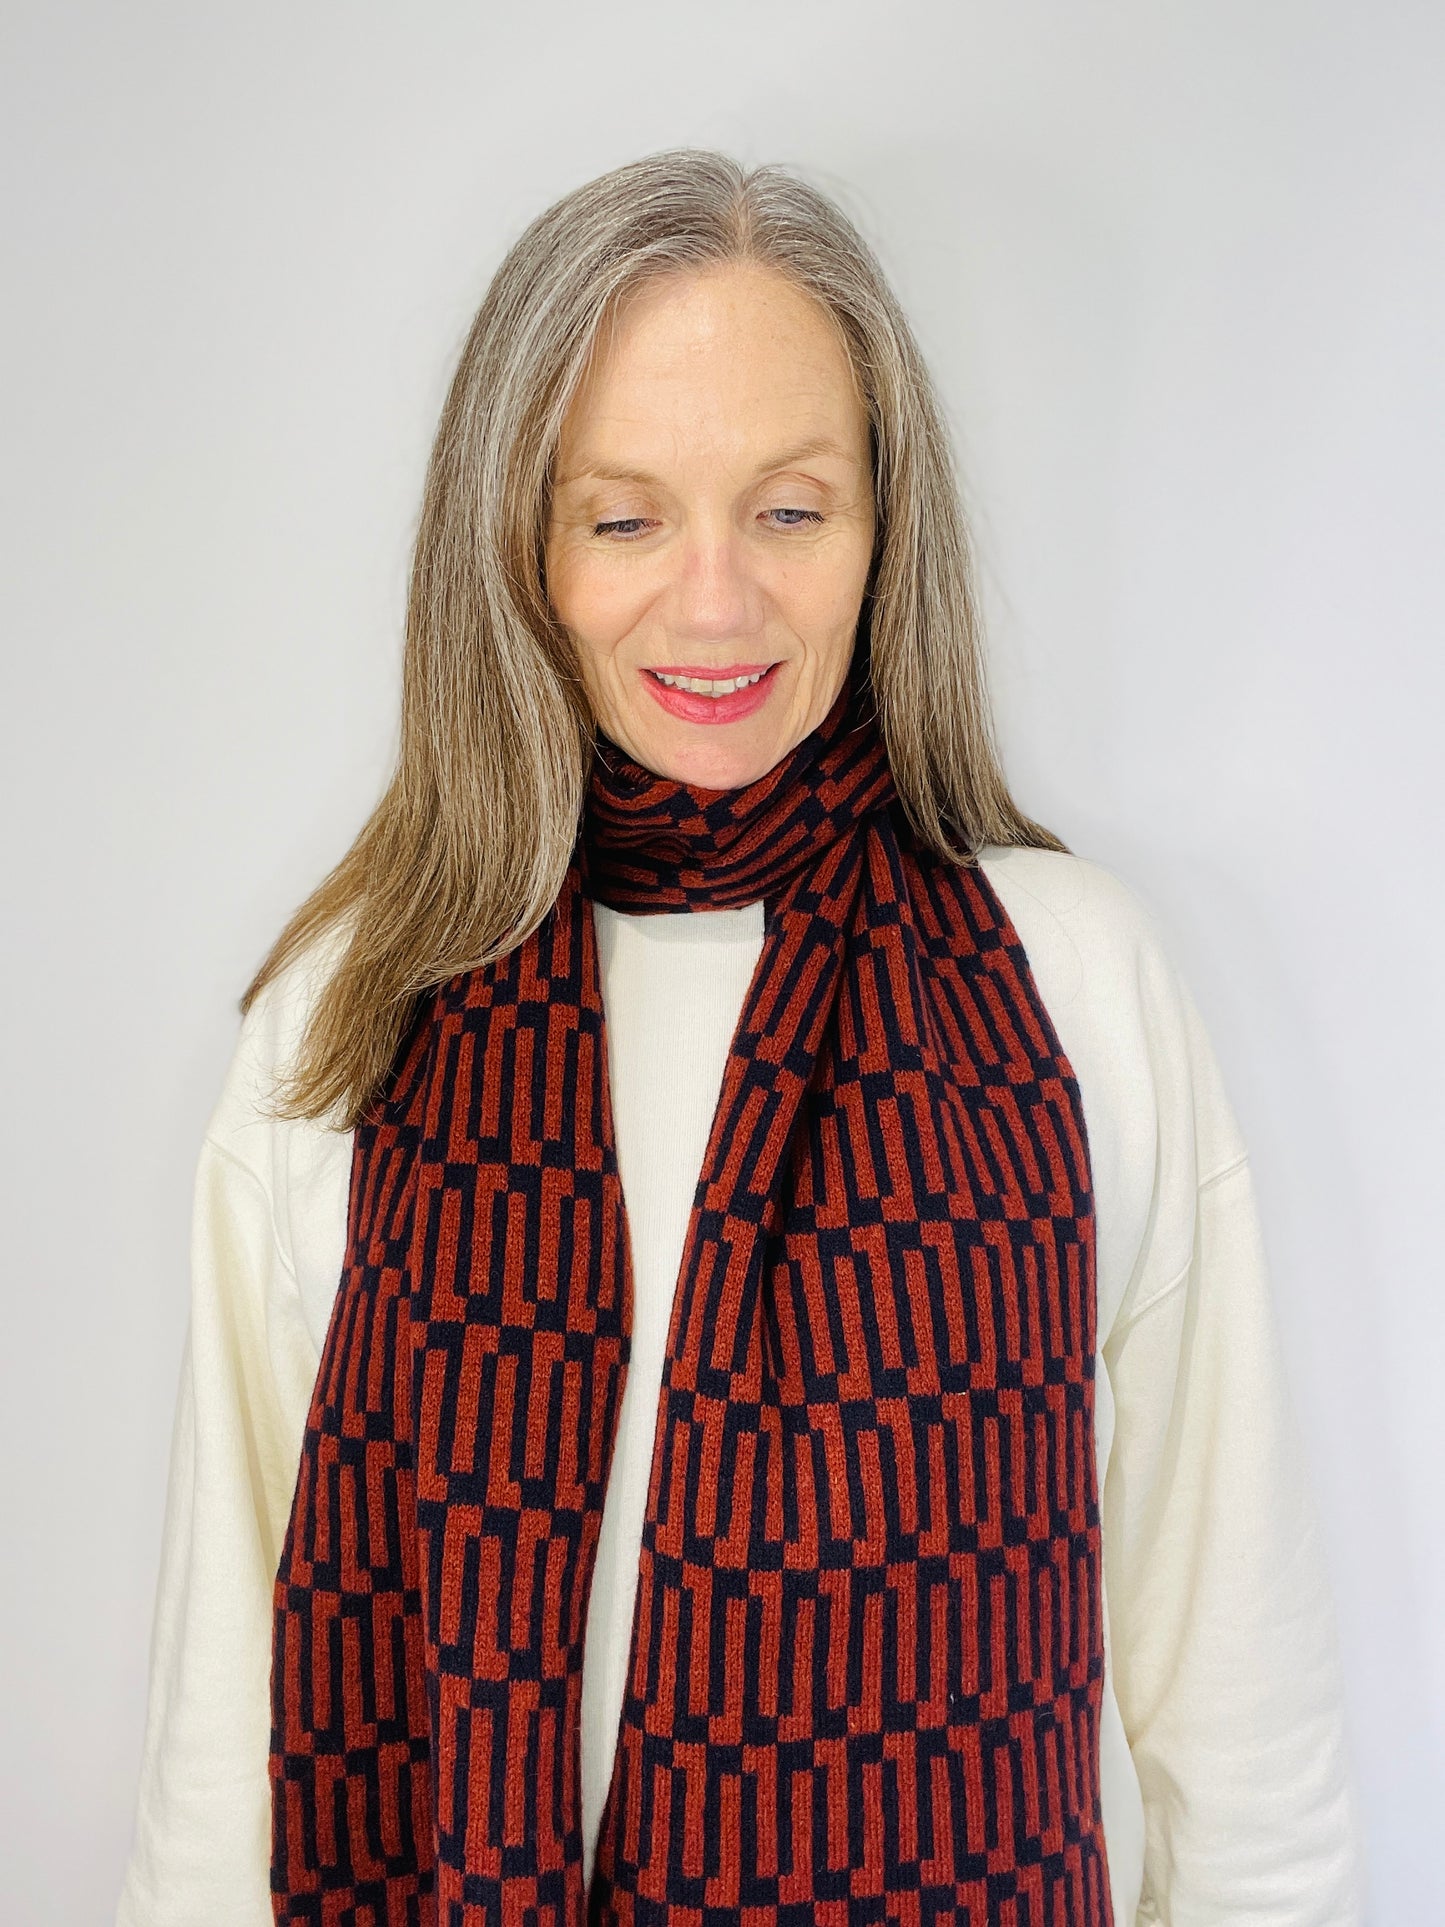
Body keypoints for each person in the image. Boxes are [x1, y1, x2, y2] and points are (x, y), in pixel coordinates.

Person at [116, 149, 1364, 1926]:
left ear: (882, 527)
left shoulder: (1073, 985)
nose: (714, 604)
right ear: (517, 545)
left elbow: (1239, 1723)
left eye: (789, 510)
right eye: (623, 518)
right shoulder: (348, 1013)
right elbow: (213, 1743)